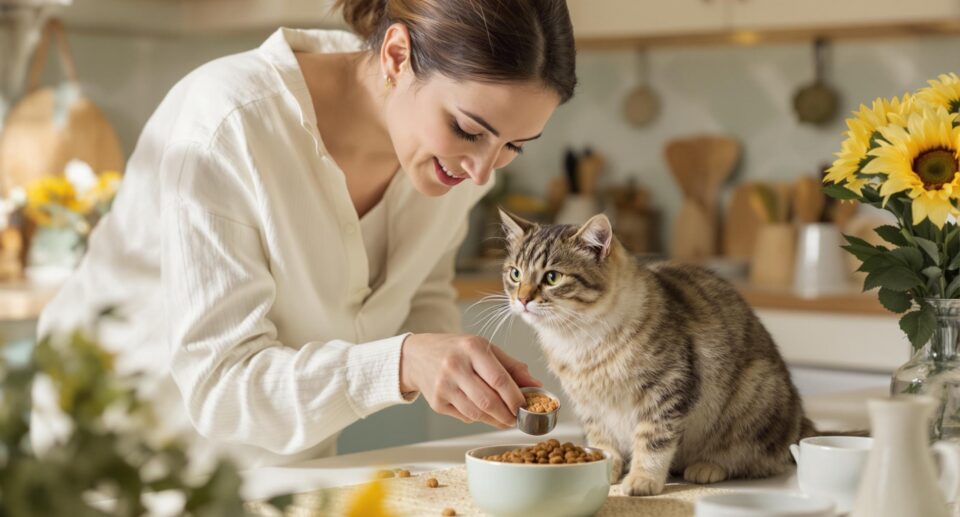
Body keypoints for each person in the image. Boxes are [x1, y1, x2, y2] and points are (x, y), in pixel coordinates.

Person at [34, 0, 577, 467]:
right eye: (467, 130)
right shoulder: (229, 123)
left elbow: (421, 291)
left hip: (286, 469)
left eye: (514, 145)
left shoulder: (453, 168)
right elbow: (221, 387)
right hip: (123, 461)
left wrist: (455, 363)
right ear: (396, 55)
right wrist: (405, 362)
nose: (483, 172)